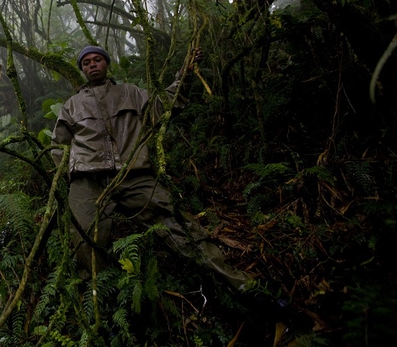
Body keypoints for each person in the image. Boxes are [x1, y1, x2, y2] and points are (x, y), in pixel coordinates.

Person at [51, 45, 253, 291]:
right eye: (87, 63)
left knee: (176, 222)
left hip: (133, 174)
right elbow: (58, 146)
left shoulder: (131, 93)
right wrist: (63, 178)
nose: (92, 65)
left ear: (107, 64)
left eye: (97, 60)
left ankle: (238, 283)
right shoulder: (72, 105)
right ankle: (99, 302)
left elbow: (166, 105)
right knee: (84, 240)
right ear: (82, 69)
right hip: (87, 181)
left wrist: (185, 74)